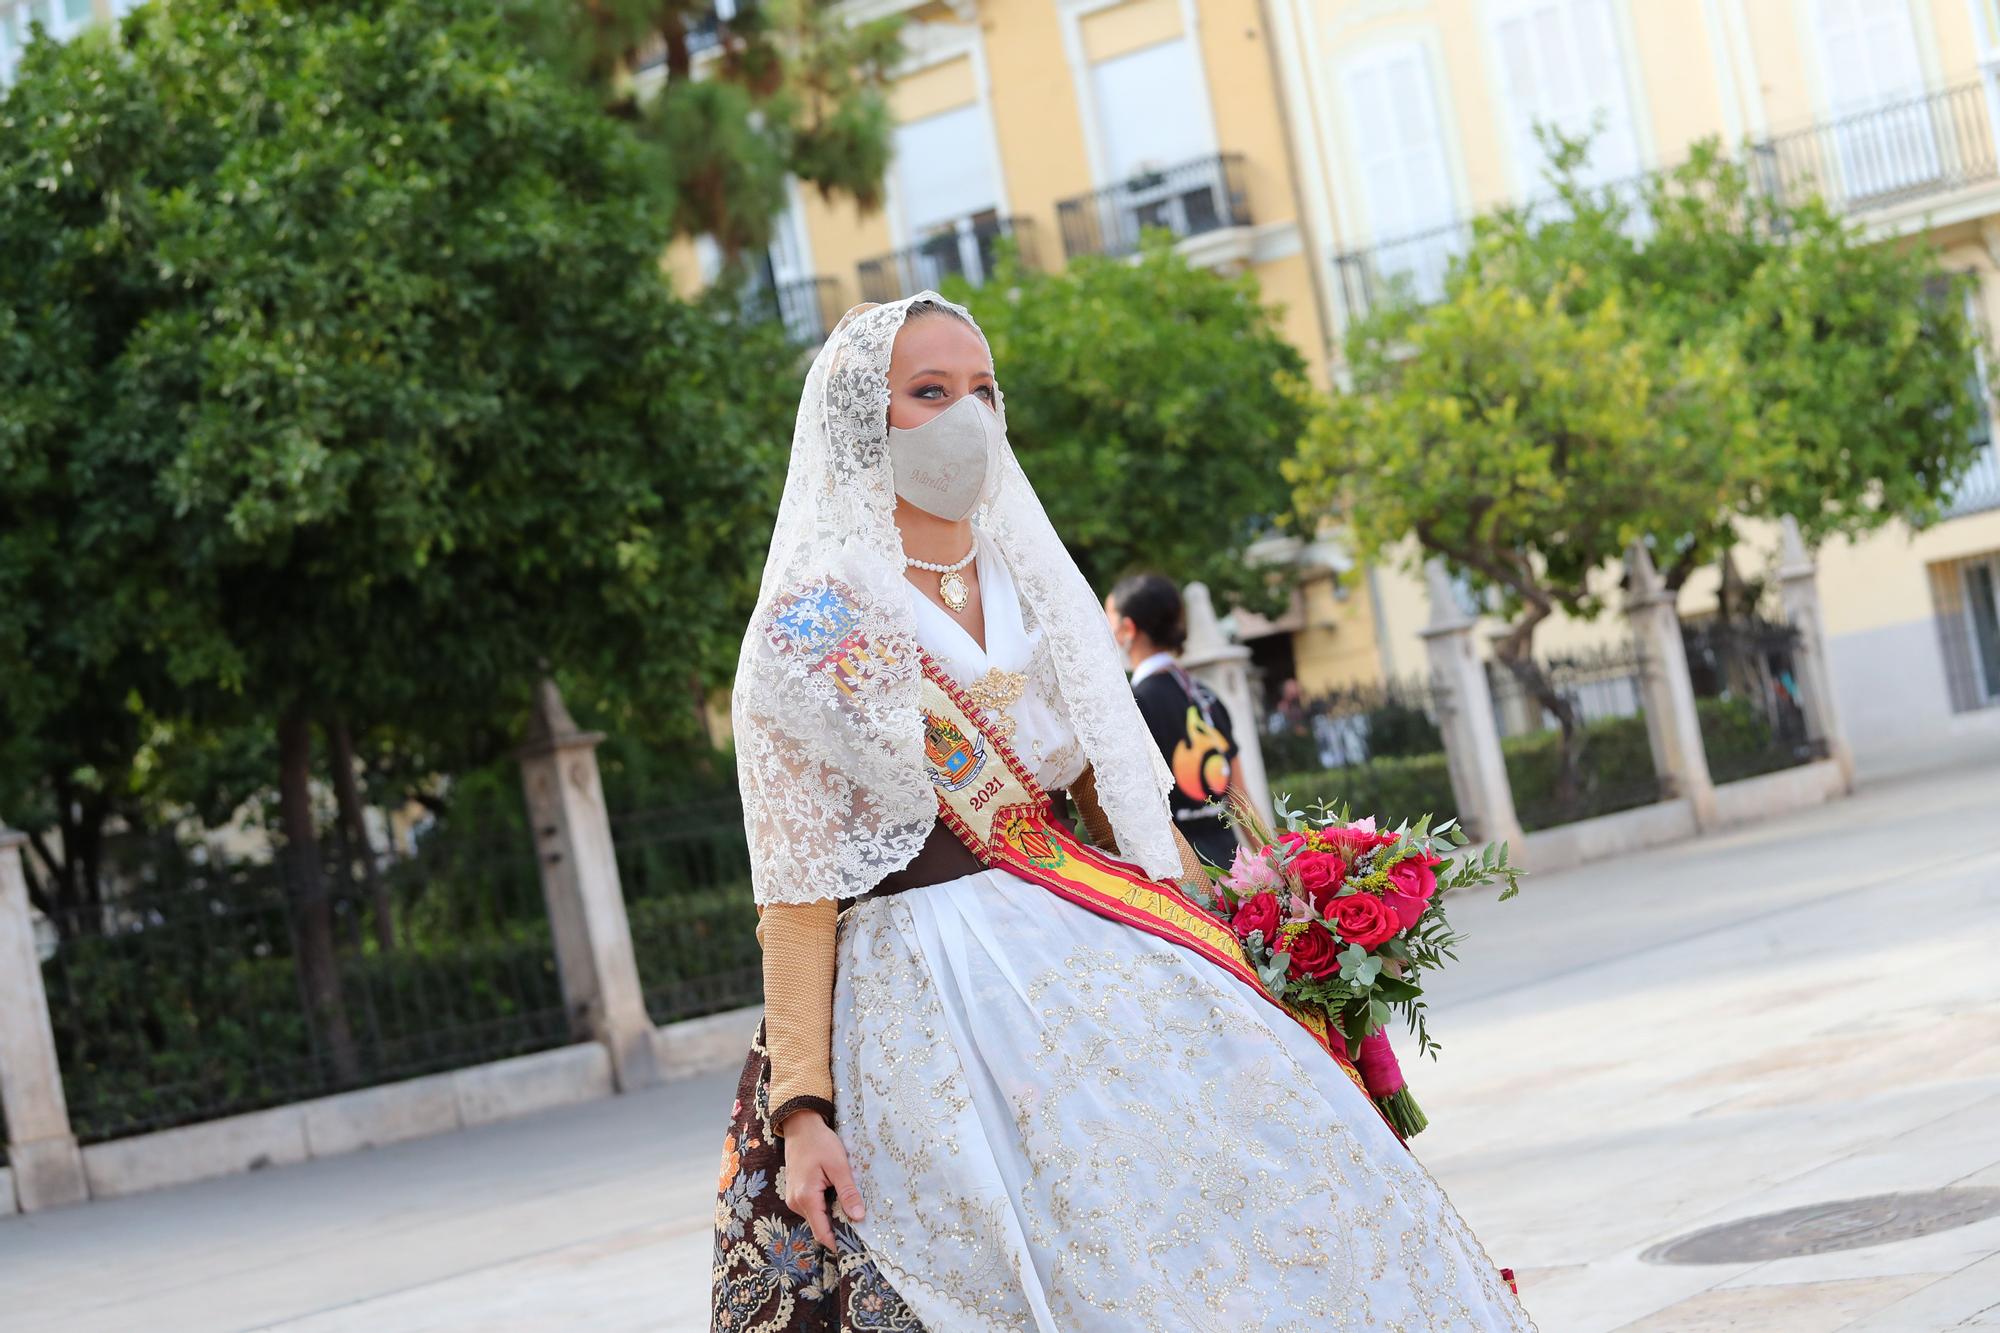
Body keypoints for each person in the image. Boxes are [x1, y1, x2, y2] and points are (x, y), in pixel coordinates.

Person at [712, 292, 1532, 1331]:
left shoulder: (1030, 575)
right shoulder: (813, 615)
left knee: (1257, 1180)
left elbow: (1110, 796)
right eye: (929, 392)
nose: (968, 416)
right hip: (922, 987)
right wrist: (802, 1106)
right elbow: (794, 882)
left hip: (1083, 936)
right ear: (856, 422)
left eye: (983, 390)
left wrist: (1246, 925)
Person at [1105, 573, 1244, 870]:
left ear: (1128, 629)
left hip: (1183, 878)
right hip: (1235, 870)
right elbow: (1241, 799)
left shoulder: (1132, 707)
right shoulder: (1207, 696)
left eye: (1109, 621)